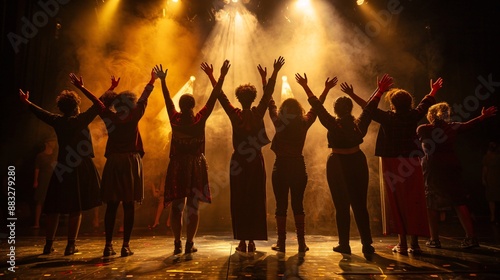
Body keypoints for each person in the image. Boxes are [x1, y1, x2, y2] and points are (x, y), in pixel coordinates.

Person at [297, 73, 393, 256]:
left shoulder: (333, 124)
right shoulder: (358, 125)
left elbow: (316, 106)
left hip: (337, 164)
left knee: (341, 206)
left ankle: (345, 244)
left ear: (336, 111)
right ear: (350, 110)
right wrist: (380, 90)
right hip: (357, 162)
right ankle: (367, 244)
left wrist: (305, 86)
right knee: (360, 205)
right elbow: (370, 108)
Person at [346, 77, 443, 254]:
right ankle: (414, 244)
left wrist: (354, 94)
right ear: (408, 103)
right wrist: (434, 90)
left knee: (395, 201)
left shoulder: (387, 117)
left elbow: (369, 107)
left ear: (392, 104)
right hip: (412, 161)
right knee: (413, 200)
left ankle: (403, 243)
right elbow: (425, 103)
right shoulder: (413, 115)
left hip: (391, 162)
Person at [201, 56, 284, 253]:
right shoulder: (257, 113)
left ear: (239, 98)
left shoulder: (235, 114)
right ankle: (252, 240)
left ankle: (242, 241)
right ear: (252, 98)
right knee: (255, 199)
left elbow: (220, 95)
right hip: (255, 160)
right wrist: (273, 73)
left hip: (239, 161)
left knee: (240, 200)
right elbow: (268, 95)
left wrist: (216, 76)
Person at [72, 70, 158, 257]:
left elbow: (98, 103)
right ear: (131, 104)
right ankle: (125, 245)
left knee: (111, 205)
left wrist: (82, 87)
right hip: (130, 161)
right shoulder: (135, 114)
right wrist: (152, 80)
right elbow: (144, 97)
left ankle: (108, 245)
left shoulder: (110, 117)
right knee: (128, 205)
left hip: (113, 162)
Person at [19, 77, 104, 256]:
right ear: (76, 107)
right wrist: (85, 87)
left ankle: (48, 245)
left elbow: (41, 113)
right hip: (80, 166)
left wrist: (28, 103)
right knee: (76, 207)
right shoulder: (81, 120)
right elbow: (98, 104)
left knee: (54, 207)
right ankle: (70, 245)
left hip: (63, 167)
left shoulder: (58, 121)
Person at [158, 60, 230, 255]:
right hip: (196, 165)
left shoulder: (174, 119)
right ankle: (189, 242)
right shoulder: (199, 120)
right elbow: (214, 97)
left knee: (176, 206)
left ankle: (176, 242)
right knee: (192, 206)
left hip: (178, 166)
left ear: (180, 106)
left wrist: (163, 82)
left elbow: (167, 100)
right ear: (193, 105)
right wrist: (219, 76)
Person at [267, 70, 338, 253]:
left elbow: (270, 104)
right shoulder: (304, 122)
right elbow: (316, 107)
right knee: (298, 204)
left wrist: (264, 79)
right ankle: (301, 243)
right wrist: (325, 89)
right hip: (298, 166)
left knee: (280, 204)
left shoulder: (278, 123)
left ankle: (281, 243)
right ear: (298, 110)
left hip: (281, 166)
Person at [417, 102, 497, 248]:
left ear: (431, 115)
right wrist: (482, 117)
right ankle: (471, 238)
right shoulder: (452, 127)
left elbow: (425, 146)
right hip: (452, 165)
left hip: (434, 168)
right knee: (458, 201)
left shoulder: (423, 129)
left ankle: (434, 239)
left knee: (431, 202)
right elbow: (467, 125)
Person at [32, 137, 57, 229]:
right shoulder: (40, 156)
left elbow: (56, 169)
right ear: (46, 143)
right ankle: (37, 222)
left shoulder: (54, 156)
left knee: (51, 202)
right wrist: (36, 180)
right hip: (43, 179)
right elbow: (37, 169)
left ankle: (50, 224)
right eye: (52, 141)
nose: (54, 144)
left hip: (51, 180)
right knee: (40, 201)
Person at [483, 141, 500, 225]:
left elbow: (485, 169)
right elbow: (485, 169)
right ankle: (493, 216)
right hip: (492, 178)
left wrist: (484, 178)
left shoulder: (489, 157)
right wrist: (484, 178)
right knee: (492, 198)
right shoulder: (488, 157)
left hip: (494, 178)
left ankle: (493, 216)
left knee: (492, 198)